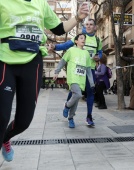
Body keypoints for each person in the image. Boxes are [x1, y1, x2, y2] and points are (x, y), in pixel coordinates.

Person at [0, 0, 89, 162]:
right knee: (1, 116)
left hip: (33, 62)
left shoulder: (40, 3)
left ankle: (5, 138)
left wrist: (78, 17)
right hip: (4, 60)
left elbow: (59, 29)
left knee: (23, 121)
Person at [51, 18, 102, 126]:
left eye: (91, 24)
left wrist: (99, 57)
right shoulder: (79, 37)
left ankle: (89, 117)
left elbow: (100, 52)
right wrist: (56, 46)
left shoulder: (98, 40)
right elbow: (66, 46)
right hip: (76, 73)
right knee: (74, 93)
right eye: (86, 24)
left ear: (95, 27)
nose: (88, 26)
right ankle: (69, 113)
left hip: (89, 69)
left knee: (90, 92)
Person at [53, 34, 94, 128]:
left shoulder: (86, 53)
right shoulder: (71, 50)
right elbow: (62, 61)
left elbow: (88, 69)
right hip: (73, 77)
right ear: (76, 41)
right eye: (81, 38)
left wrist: (91, 83)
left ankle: (71, 118)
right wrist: (56, 72)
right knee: (78, 94)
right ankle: (67, 106)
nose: (83, 40)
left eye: (84, 38)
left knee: (76, 99)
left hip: (81, 79)